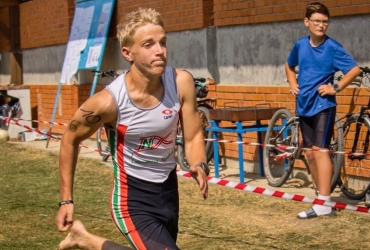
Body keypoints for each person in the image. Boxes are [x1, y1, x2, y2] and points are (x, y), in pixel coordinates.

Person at [56, 7, 209, 250]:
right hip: (132, 199)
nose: (159, 51)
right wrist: (66, 200)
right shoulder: (108, 102)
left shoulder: (181, 82)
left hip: (168, 193)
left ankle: (82, 238)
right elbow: (70, 139)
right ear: (128, 52)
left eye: (162, 42)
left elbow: (192, 136)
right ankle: (87, 241)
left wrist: (199, 163)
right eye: (148, 44)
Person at [285, 2, 360, 219]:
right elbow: (289, 65)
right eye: (317, 21)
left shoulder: (333, 47)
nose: (321, 25)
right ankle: (321, 197)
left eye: (325, 22)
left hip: (323, 105)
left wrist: (335, 87)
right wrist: (292, 83)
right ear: (306, 22)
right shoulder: (300, 45)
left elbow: (354, 69)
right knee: (309, 153)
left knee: (321, 150)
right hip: (304, 105)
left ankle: (324, 202)